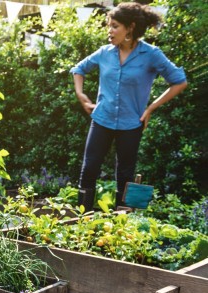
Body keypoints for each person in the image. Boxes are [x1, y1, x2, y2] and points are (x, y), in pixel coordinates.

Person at [70, 2, 187, 211]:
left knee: (125, 175)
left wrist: (150, 108)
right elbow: (79, 69)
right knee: (89, 170)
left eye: (114, 26)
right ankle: (81, 220)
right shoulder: (105, 52)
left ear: (130, 28)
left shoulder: (151, 54)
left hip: (131, 124)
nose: (110, 30)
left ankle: (122, 225)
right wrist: (81, 94)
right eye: (109, 25)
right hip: (102, 119)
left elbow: (179, 81)